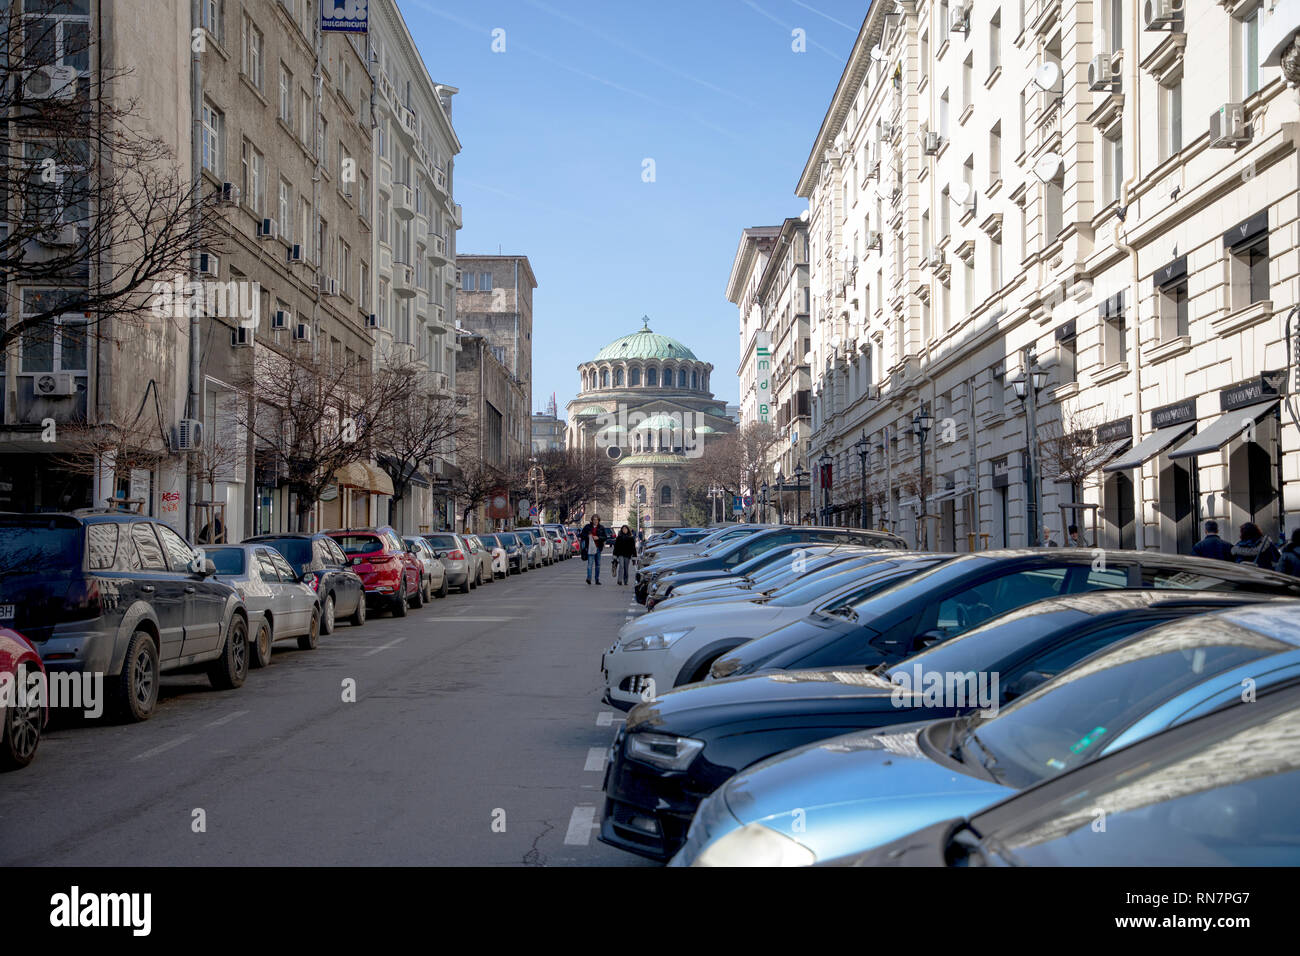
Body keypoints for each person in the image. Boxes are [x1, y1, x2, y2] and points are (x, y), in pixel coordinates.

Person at [580, 514, 609, 585]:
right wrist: (587, 536)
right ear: (592, 520)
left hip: (598, 548)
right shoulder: (587, 527)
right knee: (590, 564)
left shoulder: (601, 528)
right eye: (594, 519)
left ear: (599, 520)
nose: (595, 521)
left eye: (597, 520)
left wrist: (598, 537)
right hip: (590, 548)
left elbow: (605, 537)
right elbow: (581, 535)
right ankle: (589, 578)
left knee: (598, 564)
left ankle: (597, 579)